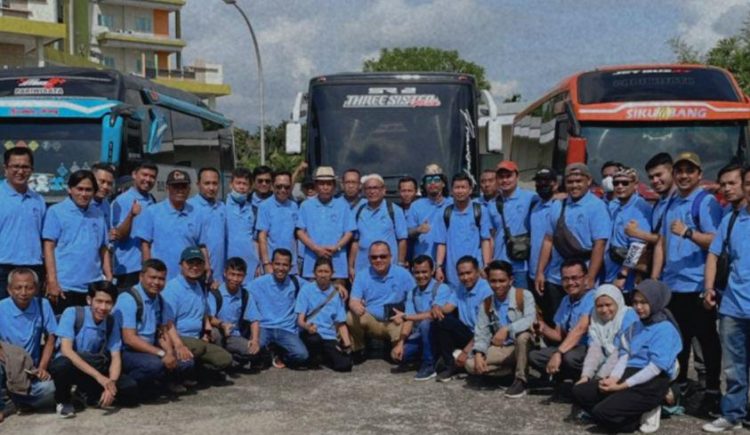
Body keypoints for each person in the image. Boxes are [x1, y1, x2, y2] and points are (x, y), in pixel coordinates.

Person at [654, 151, 722, 414]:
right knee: (676, 343)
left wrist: (689, 232)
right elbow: (661, 243)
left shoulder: (705, 203)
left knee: (707, 343)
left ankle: (713, 393)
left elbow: (716, 242)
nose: (684, 176)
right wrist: (656, 279)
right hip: (673, 287)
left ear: (699, 175)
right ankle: (678, 389)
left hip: (696, 286)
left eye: (689, 171)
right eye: (679, 171)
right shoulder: (670, 203)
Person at [572, 280, 682, 433]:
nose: (638, 307)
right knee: (580, 392)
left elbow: (654, 368)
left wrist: (621, 386)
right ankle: (628, 408)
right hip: (629, 373)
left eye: (644, 302)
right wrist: (614, 378)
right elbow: (624, 355)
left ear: (655, 301)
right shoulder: (635, 326)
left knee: (601, 413)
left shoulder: (665, 329)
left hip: (652, 381)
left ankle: (645, 410)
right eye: (636, 302)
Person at [702, 166, 750, 432]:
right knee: (733, 369)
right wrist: (708, 288)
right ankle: (732, 415)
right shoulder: (731, 220)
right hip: (733, 307)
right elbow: (713, 255)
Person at [49, 281, 138, 418]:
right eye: (99, 301)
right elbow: (66, 350)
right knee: (61, 365)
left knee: (130, 389)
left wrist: (111, 384)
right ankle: (63, 400)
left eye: (108, 303)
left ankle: (87, 393)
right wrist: (101, 378)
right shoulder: (72, 313)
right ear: (89, 300)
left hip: (94, 366)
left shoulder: (111, 321)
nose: (103, 307)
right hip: (72, 365)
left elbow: (115, 356)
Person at [535, 163, 610, 321]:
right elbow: (548, 240)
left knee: (581, 322)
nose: (574, 185)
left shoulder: (597, 207)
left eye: (578, 181)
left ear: (588, 181)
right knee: (557, 321)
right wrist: (540, 272)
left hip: (583, 278)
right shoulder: (557, 205)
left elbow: (600, 244)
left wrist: (590, 277)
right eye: (570, 181)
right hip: (556, 277)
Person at [113, 259, 193, 396]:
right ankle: (126, 386)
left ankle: (160, 383)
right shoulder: (128, 299)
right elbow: (129, 339)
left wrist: (169, 353)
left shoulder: (160, 300)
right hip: (128, 352)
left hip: (150, 348)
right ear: (141, 276)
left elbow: (162, 332)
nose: (157, 282)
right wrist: (161, 354)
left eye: (161, 279)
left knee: (186, 362)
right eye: (153, 277)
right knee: (155, 365)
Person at [464, 260, 536, 398]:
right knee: (470, 364)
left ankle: (520, 380)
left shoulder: (524, 295)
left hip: (524, 346)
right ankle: (509, 372)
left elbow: (530, 319)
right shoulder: (487, 302)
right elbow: (482, 331)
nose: (497, 285)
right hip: (504, 349)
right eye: (493, 281)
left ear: (511, 280)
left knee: (523, 337)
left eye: (502, 281)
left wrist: (507, 329)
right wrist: (479, 352)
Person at [43, 169, 111, 313]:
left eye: (88, 190)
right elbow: (49, 247)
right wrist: (52, 281)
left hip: (93, 287)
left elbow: (103, 248)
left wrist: (109, 277)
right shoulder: (56, 212)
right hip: (65, 287)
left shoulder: (98, 215)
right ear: (70, 189)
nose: (84, 194)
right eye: (79, 189)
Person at [160, 247, 233, 377]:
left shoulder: (199, 286)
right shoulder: (171, 289)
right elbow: (167, 323)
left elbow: (205, 314)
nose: (194, 267)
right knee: (198, 348)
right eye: (190, 263)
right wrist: (178, 345)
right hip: (178, 337)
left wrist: (212, 328)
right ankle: (174, 376)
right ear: (181, 264)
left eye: (198, 263)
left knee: (225, 359)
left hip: (197, 338)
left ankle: (196, 371)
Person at [529, 259, 596, 391]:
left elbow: (580, 329)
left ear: (586, 278)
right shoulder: (566, 300)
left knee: (569, 358)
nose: (570, 283)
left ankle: (583, 381)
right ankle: (562, 381)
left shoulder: (593, 297)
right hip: (569, 348)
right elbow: (559, 335)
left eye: (575, 278)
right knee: (534, 356)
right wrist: (543, 327)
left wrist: (558, 353)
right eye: (565, 279)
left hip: (588, 348)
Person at [134, 169, 209, 281]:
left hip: (189, 277)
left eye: (183, 187)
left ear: (188, 189)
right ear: (167, 188)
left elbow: (202, 245)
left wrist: (206, 266)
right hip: (160, 278)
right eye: (175, 187)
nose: (180, 190)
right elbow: (145, 245)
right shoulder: (152, 212)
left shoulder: (197, 213)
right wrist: (147, 270)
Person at [0, 268, 57, 416]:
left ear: (36, 289)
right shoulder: (1, 308)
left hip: (31, 370)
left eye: (29, 287)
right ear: (9, 289)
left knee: (49, 389)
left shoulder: (42, 305)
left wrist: (43, 367)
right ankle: (11, 400)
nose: (23, 292)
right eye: (18, 287)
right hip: (6, 366)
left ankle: (15, 401)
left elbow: (51, 337)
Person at [347, 242, 415, 361]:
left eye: (383, 256)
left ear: (390, 257)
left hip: (395, 322)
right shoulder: (362, 275)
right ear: (369, 259)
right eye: (374, 257)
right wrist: (356, 306)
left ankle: (394, 347)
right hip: (371, 319)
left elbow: (412, 300)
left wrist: (405, 316)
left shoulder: (403, 274)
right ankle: (359, 348)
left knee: (398, 358)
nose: (378, 260)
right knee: (350, 317)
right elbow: (353, 300)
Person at [390, 255, 453, 381]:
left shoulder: (442, 288)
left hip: (438, 335)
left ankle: (429, 365)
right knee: (397, 356)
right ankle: (432, 357)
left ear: (432, 271)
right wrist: (400, 343)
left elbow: (434, 314)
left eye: (424, 272)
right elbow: (409, 320)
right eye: (417, 272)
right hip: (420, 336)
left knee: (426, 323)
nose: (421, 276)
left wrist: (407, 316)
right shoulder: (412, 292)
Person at [432, 256, 493, 382]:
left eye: (468, 273)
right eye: (461, 274)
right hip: (467, 332)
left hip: (483, 335)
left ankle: (459, 361)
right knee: (442, 320)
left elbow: (486, 328)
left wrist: (465, 352)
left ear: (477, 271)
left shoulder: (487, 291)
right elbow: (448, 308)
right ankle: (450, 365)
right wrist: (437, 307)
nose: (465, 277)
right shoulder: (461, 287)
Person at [248, 249, 308, 368]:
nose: (280, 268)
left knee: (302, 355)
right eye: (277, 264)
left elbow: (316, 287)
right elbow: (240, 290)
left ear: (290, 267)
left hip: (286, 329)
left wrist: (336, 286)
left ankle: (281, 355)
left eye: (285, 265)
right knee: (251, 354)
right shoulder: (259, 283)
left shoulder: (296, 282)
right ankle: (269, 351)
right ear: (271, 264)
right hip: (264, 327)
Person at [0, 147, 46, 300]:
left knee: (30, 319)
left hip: (33, 269)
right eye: (15, 166)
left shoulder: (38, 200)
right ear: (5, 168)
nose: (20, 171)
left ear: (32, 170)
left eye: (25, 167)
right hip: (3, 268)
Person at [296, 167, 355, 281]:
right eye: (321, 184)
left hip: (338, 264)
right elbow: (299, 231)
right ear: (316, 185)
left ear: (334, 186)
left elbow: (349, 232)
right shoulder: (306, 206)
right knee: (313, 296)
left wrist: (336, 248)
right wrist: (315, 249)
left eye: (328, 184)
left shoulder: (343, 206)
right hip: (312, 265)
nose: (325, 187)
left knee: (337, 296)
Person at [296, 256, 353, 372]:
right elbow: (300, 320)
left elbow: (341, 323)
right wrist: (307, 326)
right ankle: (316, 357)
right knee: (314, 340)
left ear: (332, 274)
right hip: (311, 333)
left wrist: (347, 345)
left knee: (345, 365)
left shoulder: (336, 294)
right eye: (320, 271)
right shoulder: (306, 290)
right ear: (314, 273)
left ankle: (323, 357)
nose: (323, 275)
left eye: (326, 271)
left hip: (328, 337)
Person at [434, 173, 492, 287]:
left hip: (476, 269)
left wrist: (486, 265)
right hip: (453, 270)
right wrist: (439, 267)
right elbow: (441, 243)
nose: (460, 191)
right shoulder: (444, 213)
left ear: (470, 190)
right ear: (451, 190)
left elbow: (485, 240)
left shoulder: (480, 211)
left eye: (463, 187)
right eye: (457, 187)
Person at [488, 160, 538, 290]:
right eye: (501, 177)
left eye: (508, 176)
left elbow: (550, 199)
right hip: (499, 263)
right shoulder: (492, 204)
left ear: (517, 176)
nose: (505, 180)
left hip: (521, 264)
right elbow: (490, 236)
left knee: (521, 302)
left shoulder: (531, 197)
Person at [206, 257, 262, 370]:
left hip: (234, 336)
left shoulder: (245, 295)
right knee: (215, 333)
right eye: (232, 274)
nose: (235, 279)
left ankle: (231, 360)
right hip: (219, 334)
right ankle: (222, 362)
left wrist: (255, 340)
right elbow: (209, 318)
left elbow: (254, 320)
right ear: (225, 273)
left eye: (239, 275)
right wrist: (222, 325)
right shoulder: (215, 294)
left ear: (244, 276)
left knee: (253, 352)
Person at [577, 284, 638, 385]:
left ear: (617, 303)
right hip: (608, 359)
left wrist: (600, 376)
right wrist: (586, 375)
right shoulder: (595, 317)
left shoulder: (628, 316)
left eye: (608, 305)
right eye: (599, 306)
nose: (604, 310)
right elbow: (595, 347)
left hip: (627, 361)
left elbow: (622, 351)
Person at [349, 174, 408, 277]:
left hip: (388, 270)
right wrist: (351, 267)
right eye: (368, 188)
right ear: (364, 191)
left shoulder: (394, 210)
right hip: (363, 270)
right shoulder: (358, 210)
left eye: (375, 188)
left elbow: (402, 240)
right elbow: (355, 242)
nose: (372, 191)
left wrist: (400, 264)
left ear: (383, 190)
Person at [111, 161, 157, 289]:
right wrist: (131, 215)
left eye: (152, 177)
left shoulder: (152, 200)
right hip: (128, 268)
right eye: (144, 175)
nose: (148, 179)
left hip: (147, 266)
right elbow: (118, 235)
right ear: (134, 175)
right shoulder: (122, 200)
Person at [605, 168, 653, 293]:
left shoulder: (640, 207)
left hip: (626, 281)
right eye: (616, 183)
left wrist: (623, 275)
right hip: (609, 275)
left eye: (625, 183)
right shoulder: (613, 205)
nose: (620, 186)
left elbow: (638, 246)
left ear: (635, 185)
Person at [528, 167, 560, 325]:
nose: (541, 185)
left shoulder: (559, 205)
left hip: (551, 274)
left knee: (554, 318)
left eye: (546, 182)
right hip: (533, 272)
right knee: (539, 316)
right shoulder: (535, 205)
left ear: (555, 184)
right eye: (539, 182)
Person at [189, 167, 227, 284]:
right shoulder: (189, 207)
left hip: (219, 273)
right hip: (197, 271)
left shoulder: (222, 207)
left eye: (215, 183)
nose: (211, 188)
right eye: (207, 183)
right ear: (198, 184)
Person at [407, 164, 452, 261]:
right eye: (428, 180)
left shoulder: (452, 203)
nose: (432, 183)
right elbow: (408, 232)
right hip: (424, 261)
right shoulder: (416, 206)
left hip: (449, 259)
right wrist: (418, 230)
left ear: (443, 183)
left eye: (436, 180)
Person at [257, 170, 300, 276]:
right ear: (272, 186)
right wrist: (266, 263)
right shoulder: (264, 206)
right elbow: (262, 236)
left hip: (291, 266)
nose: (283, 190)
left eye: (286, 187)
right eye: (279, 186)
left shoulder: (294, 206)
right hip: (272, 265)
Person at [225, 167, 260, 283]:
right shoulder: (221, 208)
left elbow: (256, 240)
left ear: (250, 188)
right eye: (238, 183)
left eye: (245, 184)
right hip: (228, 265)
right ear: (231, 185)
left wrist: (258, 263)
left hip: (250, 266)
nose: (241, 187)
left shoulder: (253, 210)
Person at [397, 176, 419, 264]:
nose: (406, 194)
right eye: (403, 191)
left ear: (416, 191)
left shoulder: (422, 209)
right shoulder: (393, 210)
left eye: (410, 191)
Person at [90, 162, 115, 230]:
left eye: (109, 183)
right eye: (102, 181)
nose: (105, 186)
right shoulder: (82, 205)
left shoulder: (106, 204)